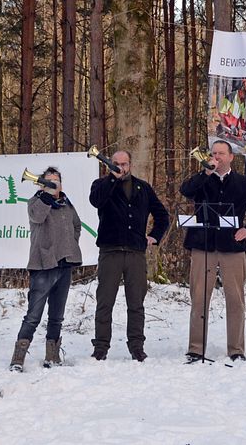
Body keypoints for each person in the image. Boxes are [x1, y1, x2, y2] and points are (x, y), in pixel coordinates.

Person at [180, 140, 246, 362]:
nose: (217, 157)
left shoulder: (242, 182)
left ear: (231, 157)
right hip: (203, 244)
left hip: (232, 246)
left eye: (221, 153)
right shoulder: (202, 179)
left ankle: (236, 349)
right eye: (214, 153)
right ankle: (196, 348)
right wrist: (205, 173)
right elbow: (186, 191)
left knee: (235, 298)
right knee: (199, 297)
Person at [89, 150, 169, 362]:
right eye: (116, 164)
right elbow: (96, 201)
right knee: (105, 302)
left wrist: (154, 236)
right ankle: (101, 347)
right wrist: (112, 180)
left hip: (135, 252)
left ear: (130, 165)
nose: (120, 167)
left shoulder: (143, 187)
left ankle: (136, 346)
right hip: (110, 252)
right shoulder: (101, 185)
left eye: (124, 164)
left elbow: (162, 215)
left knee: (136, 303)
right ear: (110, 165)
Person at [10, 167, 82, 372]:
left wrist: (70, 244)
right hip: (43, 266)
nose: (53, 183)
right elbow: (38, 218)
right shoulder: (35, 202)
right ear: (42, 184)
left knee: (57, 315)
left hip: (64, 265)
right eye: (49, 180)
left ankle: (52, 356)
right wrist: (46, 196)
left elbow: (77, 225)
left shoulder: (67, 203)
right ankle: (18, 358)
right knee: (33, 316)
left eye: (56, 180)